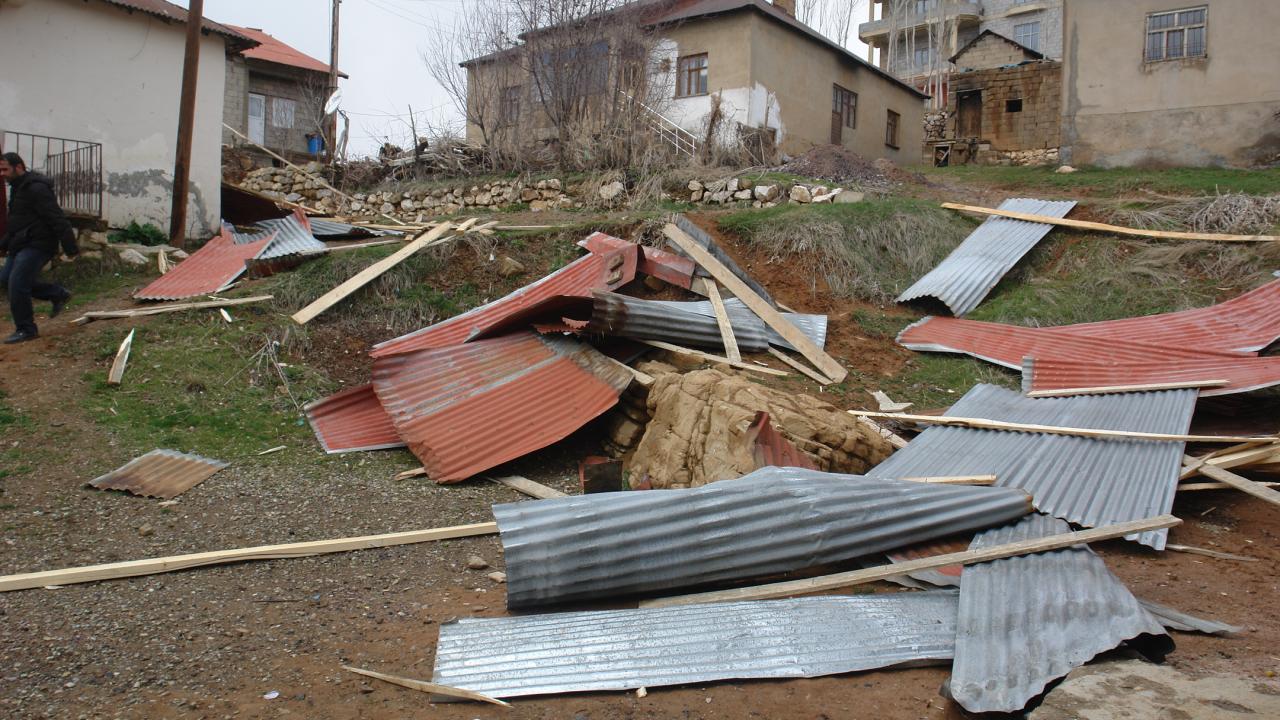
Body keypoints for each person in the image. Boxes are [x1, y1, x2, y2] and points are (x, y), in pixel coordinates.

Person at [0, 152, 77, 343]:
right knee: (7, 279)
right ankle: (57, 293)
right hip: (21, 243)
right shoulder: (18, 188)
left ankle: (26, 329)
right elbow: (17, 222)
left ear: (19, 167)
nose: (2, 174)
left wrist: (70, 248)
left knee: (17, 284)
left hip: (38, 244)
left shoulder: (36, 189)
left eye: (5, 169)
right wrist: (3, 245)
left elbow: (56, 217)